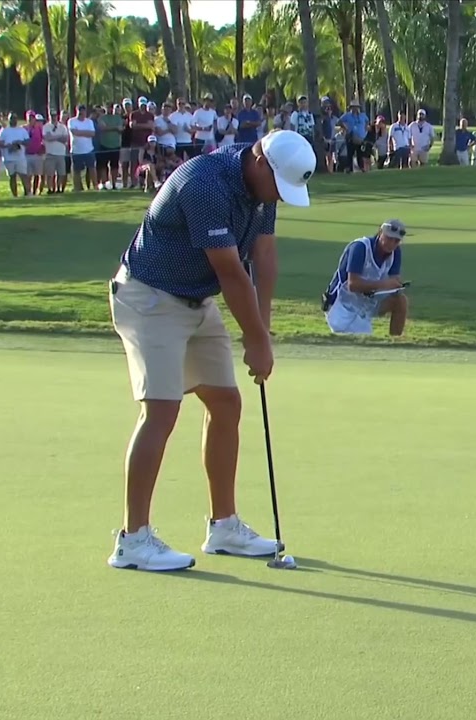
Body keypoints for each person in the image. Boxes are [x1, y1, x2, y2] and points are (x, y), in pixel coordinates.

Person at [106, 130, 317, 572]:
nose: (278, 197)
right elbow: (231, 272)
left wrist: (265, 330)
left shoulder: (262, 189)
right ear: (259, 161)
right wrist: (254, 340)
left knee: (225, 402)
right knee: (161, 411)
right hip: (149, 297)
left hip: (195, 300)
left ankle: (223, 527)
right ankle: (133, 540)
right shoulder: (205, 183)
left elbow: (264, 256)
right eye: (278, 187)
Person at [321, 220, 409, 337]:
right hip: (342, 305)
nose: (392, 243)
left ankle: (394, 342)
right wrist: (384, 284)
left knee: (400, 301)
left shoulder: (395, 252)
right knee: (360, 341)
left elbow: (393, 281)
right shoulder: (360, 247)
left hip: (366, 303)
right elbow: (352, 285)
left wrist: (396, 287)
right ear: (380, 233)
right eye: (389, 238)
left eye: (396, 241)